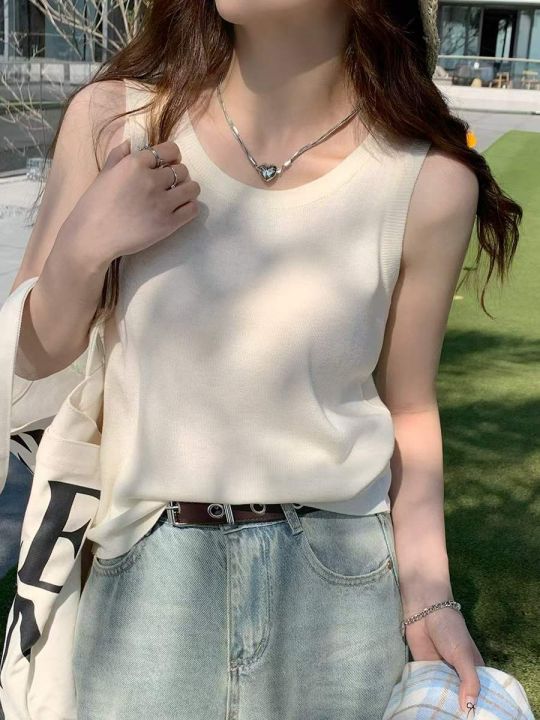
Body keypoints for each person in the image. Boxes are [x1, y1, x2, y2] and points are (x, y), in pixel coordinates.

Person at [8, 1, 522, 718]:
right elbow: (34, 356)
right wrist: (85, 245)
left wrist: (430, 595)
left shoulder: (428, 182)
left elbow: (408, 405)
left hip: (337, 588)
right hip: (149, 584)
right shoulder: (118, 123)